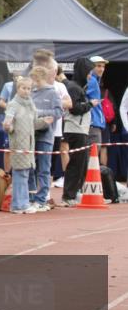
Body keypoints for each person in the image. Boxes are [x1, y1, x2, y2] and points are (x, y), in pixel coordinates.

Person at [3, 77, 53, 213]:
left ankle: (23, 203)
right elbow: (8, 123)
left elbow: (34, 123)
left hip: (29, 145)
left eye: (29, 88)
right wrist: (8, 126)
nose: (26, 91)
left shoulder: (31, 104)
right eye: (23, 88)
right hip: (18, 144)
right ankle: (18, 205)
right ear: (18, 88)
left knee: (25, 173)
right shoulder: (13, 104)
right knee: (20, 173)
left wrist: (44, 121)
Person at [28, 64, 63, 211]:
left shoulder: (52, 92)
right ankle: (30, 198)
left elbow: (59, 112)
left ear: (40, 78)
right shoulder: (31, 92)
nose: (32, 82)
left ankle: (41, 199)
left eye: (34, 79)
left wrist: (39, 113)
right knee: (30, 167)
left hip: (46, 135)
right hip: (31, 135)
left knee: (43, 168)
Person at [60, 58, 93, 207]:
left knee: (81, 163)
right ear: (83, 72)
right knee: (76, 163)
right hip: (75, 129)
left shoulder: (79, 87)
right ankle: (68, 195)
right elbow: (74, 108)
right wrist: (90, 104)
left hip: (80, 129)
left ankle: (75, 193)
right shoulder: (74, 87)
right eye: (89, 72)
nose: (90, 76)